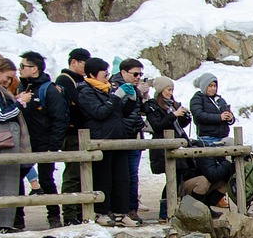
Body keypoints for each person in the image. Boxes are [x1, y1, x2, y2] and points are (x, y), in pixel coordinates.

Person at [78, 57, 143, 227]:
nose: (107, 78)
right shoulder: (86, 91)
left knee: (122, 178)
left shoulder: (107, 89)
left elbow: (121, 112)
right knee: (103, 178)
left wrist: (130, 99)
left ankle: (121, 212)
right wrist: (116, 97)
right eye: (103, 75)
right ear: (93, 74)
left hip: (117, 137)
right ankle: (101, 211)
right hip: (100, 139)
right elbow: (99, 112)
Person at [18, 51, 68, 228]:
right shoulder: (21, 88)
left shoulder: (49, 90)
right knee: (18, 177)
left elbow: (60, 118)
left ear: (34, 69)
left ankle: (54, 216)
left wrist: (53, 145)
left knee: (46, 179)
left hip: (44, 142)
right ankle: (18, 219)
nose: (20, 69)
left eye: (23, 66)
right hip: (25, 143)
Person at [0, 57, 32, 234]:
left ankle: (4, 223)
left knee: (8, 178)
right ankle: (1, 225)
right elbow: (1, 115)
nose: (8, 81)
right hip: (2, 136)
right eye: (7, 76)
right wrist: (19, 103)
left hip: (5, 136)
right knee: (4, 177)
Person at [143, 76, 190, 221]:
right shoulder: (152, 105)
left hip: (176, 143)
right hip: (162, 146)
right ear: (160, 90)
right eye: (168, 90)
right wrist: (173, 115)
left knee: (179, 178)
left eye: (172, 90)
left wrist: (185, 116)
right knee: (171, 178)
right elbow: (157, 125)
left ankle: (176, 208)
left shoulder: (172, 104)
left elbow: (179, 126)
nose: (170, 93)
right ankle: (165, 211)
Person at [111, 58, 149, 224]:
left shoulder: (134, 89)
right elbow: (120, 112)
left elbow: (138, 112)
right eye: (135, 74)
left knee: (133, 176)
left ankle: (131, 209)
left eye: (140, 74)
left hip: (134, 136)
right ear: (123, 72)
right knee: (123, 176)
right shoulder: (116, 88)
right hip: (122, 136)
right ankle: (122, 209)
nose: (138, 77)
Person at [56, 48, 90, 225]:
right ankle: (70, 214)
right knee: (73, 175)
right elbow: (79, 101)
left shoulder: (80, 80)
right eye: (84, 63)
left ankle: (79, 212)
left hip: (83, 133)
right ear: (74, 62)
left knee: (82, 176)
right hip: (72, 134)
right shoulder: (65, 80)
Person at [190, 72, 235, 143]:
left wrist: (230, 118)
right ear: (204, 86)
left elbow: (229, 118)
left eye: (215, 86)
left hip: (223, 136)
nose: (213, 88)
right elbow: (199, 116)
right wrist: (219, 117)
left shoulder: (220, 100)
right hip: (207, 138)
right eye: (210, 86)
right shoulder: (197, 99)